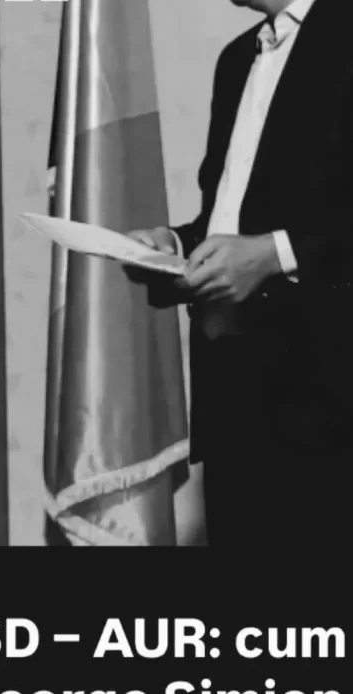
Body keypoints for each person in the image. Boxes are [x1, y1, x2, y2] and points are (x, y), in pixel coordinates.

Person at [127, 0, 351, 547]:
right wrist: (175, 245)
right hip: (233, 399)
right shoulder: (235, 61)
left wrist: (273, 255)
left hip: (330, 406)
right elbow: (228, 220)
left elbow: (273, 240)